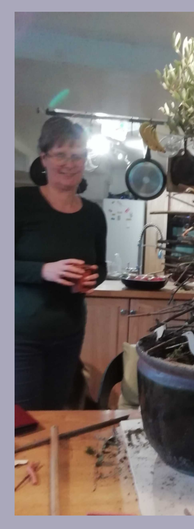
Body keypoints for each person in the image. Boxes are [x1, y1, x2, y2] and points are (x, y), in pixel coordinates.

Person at [15, 117, 108, 410]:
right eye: (60, 154)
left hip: (68, 334)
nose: (70, 163)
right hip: (20, 336)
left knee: (57, 414)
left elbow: (101, 267)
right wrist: (44, 270)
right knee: (24, 421)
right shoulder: (20, 203)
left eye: (77, 155)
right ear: (44, 158)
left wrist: (92, 279)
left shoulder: (93, 215)